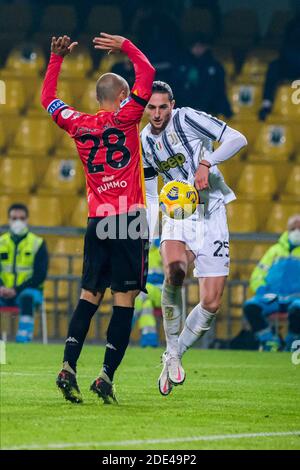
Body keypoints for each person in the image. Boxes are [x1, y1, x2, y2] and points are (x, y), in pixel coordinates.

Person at [41, 34, 155, 404]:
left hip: (97, 219)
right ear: (122, 98)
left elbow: (47, 100)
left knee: (89, 296)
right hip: (129, 220)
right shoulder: (127, 117)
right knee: (124, 301)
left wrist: (55, 59)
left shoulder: (78, 123)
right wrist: (125, 45)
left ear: (96, 99)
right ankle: (105, 376)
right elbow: (148, 72)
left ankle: (67, 367)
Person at [141, 81, 247, 395]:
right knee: (175, 270)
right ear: (145, 108)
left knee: (211, 302)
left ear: (171, 105)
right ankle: (171, 348)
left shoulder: (187, 118)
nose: (157, 114)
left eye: (163, 107)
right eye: (151, 107)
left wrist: (206, 162)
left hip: (211, 210)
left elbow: (237, 138)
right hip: (178, 212)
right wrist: (148, 233)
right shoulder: (144, 141)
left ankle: (175, 353)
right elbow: (149, 194)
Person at [243, 215, 300, 352]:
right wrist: (261, 289)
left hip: (296, 297)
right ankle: (269, 341)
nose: (297, 231)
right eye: (294, 228)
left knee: (298, 308)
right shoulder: (274, 251)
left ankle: (292, 342)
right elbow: (258, 275)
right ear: (288, 230)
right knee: (251, 306)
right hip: (272, 296)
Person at [0, 204, 48, 343]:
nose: (18, 222)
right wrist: (2, 287)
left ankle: (23, 340)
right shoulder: (1, 242)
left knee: (27, 297)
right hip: (3, 292)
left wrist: (16, 290)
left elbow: (40, 275)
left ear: (27, 220)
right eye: (14, 218)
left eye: (21, 218)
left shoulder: (37, 243)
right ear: (8, 220)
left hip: (28, 291)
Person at [175, 34, 233, 118]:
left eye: (201, 46)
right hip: (184, 111)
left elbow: (220, 90)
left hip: (209, 111)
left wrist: (225, 110)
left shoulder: (215, 66)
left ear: (206, 47)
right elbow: (175, 87)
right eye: (195, 46)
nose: (198, 49)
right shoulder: (180, 64)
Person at [258, 15, 300, 120]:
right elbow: (285, 49)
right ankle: (266, 104)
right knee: (274, 67)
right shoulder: (293, 24)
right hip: (289, 64)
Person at [134, 239, 163, 347]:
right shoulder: (141, 252)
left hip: (163, 292)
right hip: (147, 294)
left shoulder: (162, 246)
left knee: (141, 292)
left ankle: (126, 322)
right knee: (146, 307)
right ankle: (149, 341)